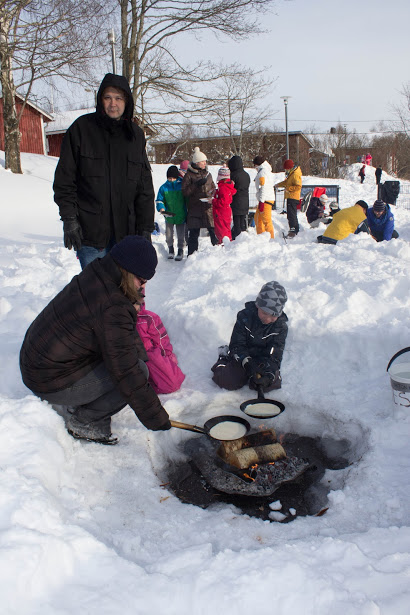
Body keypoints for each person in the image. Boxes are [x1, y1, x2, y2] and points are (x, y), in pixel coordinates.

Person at [19, 235, 171, 445]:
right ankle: (85, 421)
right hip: (49, 380)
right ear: (128, 272)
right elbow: (126, 372)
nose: (143, 288)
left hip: (37, 363)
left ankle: (81, 403)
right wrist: (157, 418)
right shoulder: (113, 306)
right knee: (136, 373)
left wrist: (139, 353)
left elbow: (121, 340)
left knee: (131, 364)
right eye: (142, 281)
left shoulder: (99, 272)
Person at [53, 73, 155, 270]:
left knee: (125, 295)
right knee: (96, 293)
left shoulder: (135, 136)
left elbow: (144, 188)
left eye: (118, 98)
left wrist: (145, 230)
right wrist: (69, 219)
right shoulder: (81, 129)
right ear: (100, 100)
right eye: (107, 97)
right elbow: (64, 181)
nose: (113, 104)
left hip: (127, 235)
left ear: (127, 101)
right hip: (91, 235)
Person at [211, 281, 288, 392]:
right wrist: (247, 363)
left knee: (269, 385)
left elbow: (275, 355)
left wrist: (270, 374)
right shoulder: (244, 318)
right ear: (257, 306)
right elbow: (237, 344)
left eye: (273, 315)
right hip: (244, 356)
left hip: (263, 361)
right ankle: (223, 359)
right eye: (264, 313)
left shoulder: (280, 327)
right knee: (228, 381)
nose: (267, 318)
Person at [135, 303, 185, 394]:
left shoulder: (148, 317)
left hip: (148, 355)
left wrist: (167, 357)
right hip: (127, 356)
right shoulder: (113, 319)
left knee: (171, 385)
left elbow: (161, 340)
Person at [181, 146, 217, 255]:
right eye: (203, 161)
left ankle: (218, 254)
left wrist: (212, 194)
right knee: (193, 233)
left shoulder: (208, 174)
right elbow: (185, 192)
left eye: (205, 161)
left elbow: (213, 187)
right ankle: (191, 256)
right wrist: (196, 185)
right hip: (195, 208)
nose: (205, 163)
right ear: (197, 162)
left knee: (213, 231)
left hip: (207, 208)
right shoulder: (189, 176)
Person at [156, 165, 187, 261]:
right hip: (169, 215)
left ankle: (180, 250)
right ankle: (170, 249)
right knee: (169, 234)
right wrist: (161, 209)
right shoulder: (163, 188)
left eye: (173, 177)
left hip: (181, 214)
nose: (171, 179)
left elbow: (187, 198)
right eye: (169, 178)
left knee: (181, 234)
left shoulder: (182, 186)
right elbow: (159, 200)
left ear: (177, 177)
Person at [275, 159, 302, 238]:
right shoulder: (291, 173)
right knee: (291, 214)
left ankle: (293, 230)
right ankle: (295, 229)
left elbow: (298, 186)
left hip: (293, 197)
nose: (285, 170)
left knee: (291, 215)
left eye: (286, 169)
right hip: (290, 196)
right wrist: (278, 185)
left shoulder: (295, 174)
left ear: (289, 167)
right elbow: (286, 182)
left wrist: (288, 188)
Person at [228, 155, 250, 239]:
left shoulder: (233, 175)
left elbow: (231, 188)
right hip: (245, 200)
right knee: (243, 220)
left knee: (237, 221)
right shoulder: (246, 174)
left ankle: (237, 237)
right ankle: (243, 236)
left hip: (236, 200)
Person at [253, 155, 275, 239]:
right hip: (265, 199)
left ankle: (271, 238)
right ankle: (261, 237)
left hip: (265, 200)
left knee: (266, 220)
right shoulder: (266, 171)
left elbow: (263, 187)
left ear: (257, 165)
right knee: (258, 218)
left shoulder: (262, 173)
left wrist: (261, 201)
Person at [212, 166, 236, 243]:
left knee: (222, 232)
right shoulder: (226, 186)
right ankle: (225, 245)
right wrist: (216, 193)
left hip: (221, 213)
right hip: (224, 212)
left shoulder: (223, 187)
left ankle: (224, 247)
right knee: (225, 230)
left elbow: (223, 201)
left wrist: (213, 201)